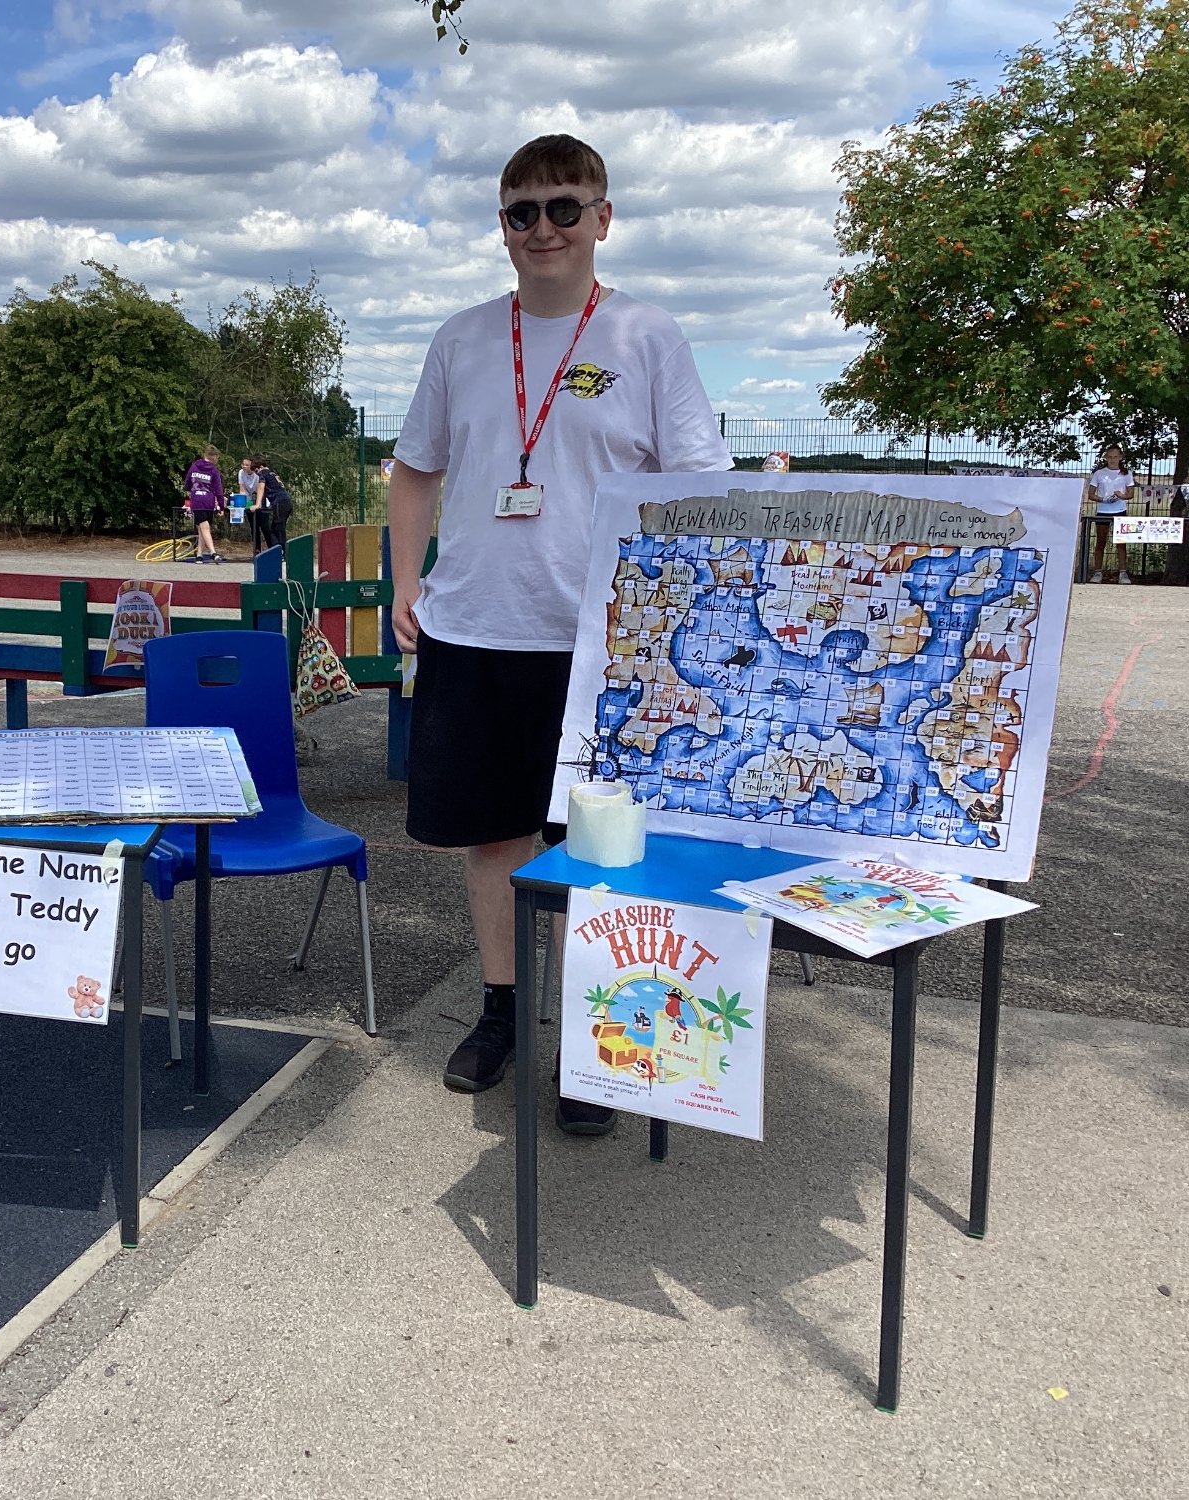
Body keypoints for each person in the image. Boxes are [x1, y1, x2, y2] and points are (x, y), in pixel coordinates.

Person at [387, 133, 730, 1137]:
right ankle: (501, 1009)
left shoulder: (645, 337)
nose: (544, 228)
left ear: (602, 218)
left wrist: (680, 620)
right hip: (475, 632)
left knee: (597, 849)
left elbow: (698, 489)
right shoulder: (460, 340)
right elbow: (414, 471)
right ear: (502, 227)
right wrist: (405, 582)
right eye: (522, 212)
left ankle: (598, 1038)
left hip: (603, 648)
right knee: (494, 839)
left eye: (564, 208)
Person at [1086, 445, 1135, 583]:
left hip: (1120, 511)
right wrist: (1103, 499)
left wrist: (1122, 496)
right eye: (1110, 457)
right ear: (1106, 458)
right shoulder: (1099, 473)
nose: (1113, 460)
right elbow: (1090, 494)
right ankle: (1097, 572)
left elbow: (1131, 493)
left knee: (1121, 542)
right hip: (1103, 511)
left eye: (1115, 457)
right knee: (1100, 541)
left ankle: (1123, 573)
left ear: (1120, 458)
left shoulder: (1126, 473)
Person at [183, 444, 226, 563]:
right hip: (208, 501)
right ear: (214, 457)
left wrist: (191, 489)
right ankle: (212, 553)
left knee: (202, 527)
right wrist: (221, 506)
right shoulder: (214, 471)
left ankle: (200, 554)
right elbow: (219, 491)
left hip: (196, 499)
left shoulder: (194, 466)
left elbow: (187, 482)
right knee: (204, 527)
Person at [251, 459, 292, 553]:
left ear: (261, 467)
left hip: (279, 502)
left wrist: (257, 504)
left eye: (256, 471)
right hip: (286, 501)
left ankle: (283, 552)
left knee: (278, 528)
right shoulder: (272, 473)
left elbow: (261, 488)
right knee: (275, 528)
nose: (257, 474)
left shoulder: (263, 473)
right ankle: (278, 550)